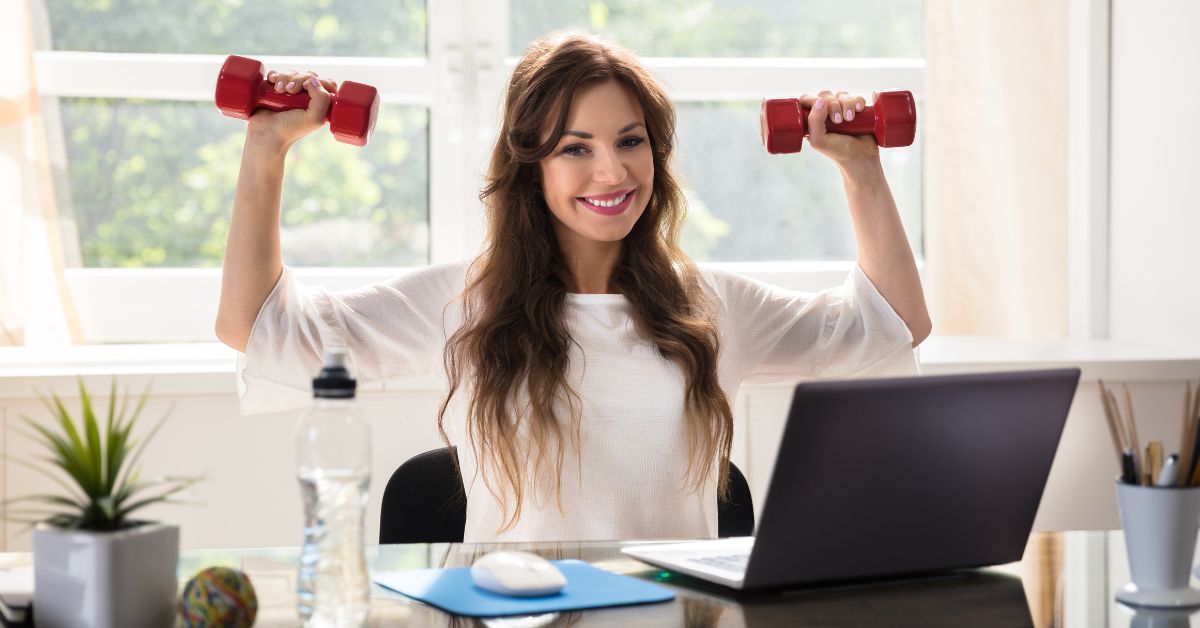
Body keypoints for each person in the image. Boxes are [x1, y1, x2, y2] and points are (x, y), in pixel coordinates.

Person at [216, 33, 931, 543]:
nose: (613, 174)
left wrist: (860, 167)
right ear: (531, 167)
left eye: (630, 141)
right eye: (574, 149)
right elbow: (256, 326)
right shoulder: (461, 302)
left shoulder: (710, 305)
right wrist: (266, 149)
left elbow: (894, 322)